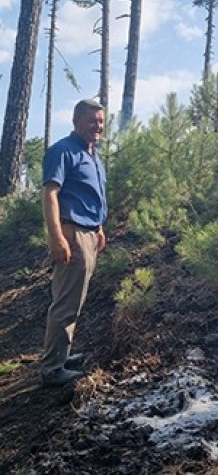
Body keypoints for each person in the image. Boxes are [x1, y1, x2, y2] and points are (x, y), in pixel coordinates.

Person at [39, 98, 108, 387]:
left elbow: (91, 195)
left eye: (101, 122)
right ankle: (52, 369)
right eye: (92, 121)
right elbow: (51, 194)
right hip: (72, 234)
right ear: (76, 121)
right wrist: (57, 236)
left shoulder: (93, 155)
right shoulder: (62, 151)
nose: (98, 127)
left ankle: (61, 356)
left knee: (75, 298)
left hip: (90, 233)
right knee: (66, 301)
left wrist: (99, 228)